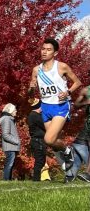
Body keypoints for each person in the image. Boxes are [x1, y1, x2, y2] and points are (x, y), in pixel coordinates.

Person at [28, 38, 82, 171]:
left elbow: (78, 82)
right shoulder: (36, 70)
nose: (44, 52)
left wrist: (67, 92)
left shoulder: (61, 66)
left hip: (60, 106)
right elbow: (30, 93)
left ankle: (67, 150)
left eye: (48, 49)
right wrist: (31, 88)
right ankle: (68, 161)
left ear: (55, 53)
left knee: (48, 139)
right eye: (43, 49)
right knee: (53, 141)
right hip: (45, 107)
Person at [26, 98, 47, 182]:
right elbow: (45, 125)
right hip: (38, 140)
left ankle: (37, 178)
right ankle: (36, 179)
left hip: (38, 140)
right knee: (39, 160)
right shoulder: (35, 116)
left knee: (41, 160)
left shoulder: (34, 115)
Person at [0, 103, 20, 180]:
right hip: (9, 146)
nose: (16, 111)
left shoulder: (10, 119)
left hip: (11, 146)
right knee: (9, 164)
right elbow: (6, 135)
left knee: (11, 164)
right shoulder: (7, 119)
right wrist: (16, 141)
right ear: (10, 110)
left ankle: (8, 180)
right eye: (15, 110)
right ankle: (6, 180)